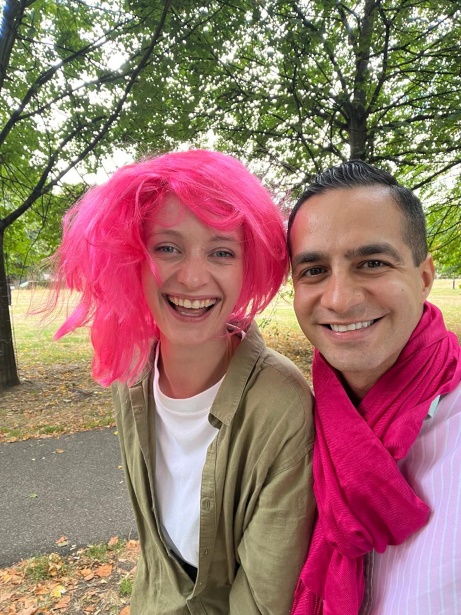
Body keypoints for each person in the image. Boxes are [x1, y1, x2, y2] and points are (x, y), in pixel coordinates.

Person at [51, 149, 316, 614]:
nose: (192, 277)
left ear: (246, 265)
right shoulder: (131, 371)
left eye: (221, 252)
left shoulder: (282, 405)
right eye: (167, 247)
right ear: (133, 257)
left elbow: (261, 600)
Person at [287, 160, 461, 614]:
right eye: (314, 270)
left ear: (423, 278)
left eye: (372, 263)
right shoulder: (294, 422)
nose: (340, 299)